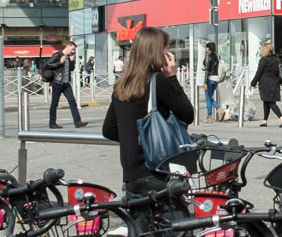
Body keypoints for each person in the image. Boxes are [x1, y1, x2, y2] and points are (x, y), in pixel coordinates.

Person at [100, 26, 194, 194]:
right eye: (166, 49)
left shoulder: (121, 85)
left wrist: (135, 141)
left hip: (131, 177)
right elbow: (187, 114)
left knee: (136, 220)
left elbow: (109, 130)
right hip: (157, 172)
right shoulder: (157, 81)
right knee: (177, 219)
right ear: (157, 52)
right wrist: (172, 77)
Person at [42, 40, 87, 128]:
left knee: (72, 102)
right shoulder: (57, 55)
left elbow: (70, 69)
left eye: (74, 50)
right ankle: (52, 123)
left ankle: (77, 121)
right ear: (67, 47)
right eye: (72, 49)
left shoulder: (69, 57)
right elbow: (48, 64)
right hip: (57, 82)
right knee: (55, 104)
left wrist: (71, 61)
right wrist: (60, 62)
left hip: (66, 83)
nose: (73, 51)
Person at [252, 42, 282, 127]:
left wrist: (252, 83)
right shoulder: (276, 59)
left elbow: (258, 73)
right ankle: (264, 120)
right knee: (267, 102)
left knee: (270, 102)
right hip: (274, 83)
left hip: (265, 84)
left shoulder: (264, 60)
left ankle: (281, 117)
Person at [202, 42, 222, 123]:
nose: (205, 49)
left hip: (209, 79)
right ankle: (218, 110)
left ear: (208, 49)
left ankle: (210, 116)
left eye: (206, 47)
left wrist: (205, 83)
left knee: (208, 98)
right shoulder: (217, 56)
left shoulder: (208, 57)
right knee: (210, 97)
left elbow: (207, 71)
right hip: (216, 79)